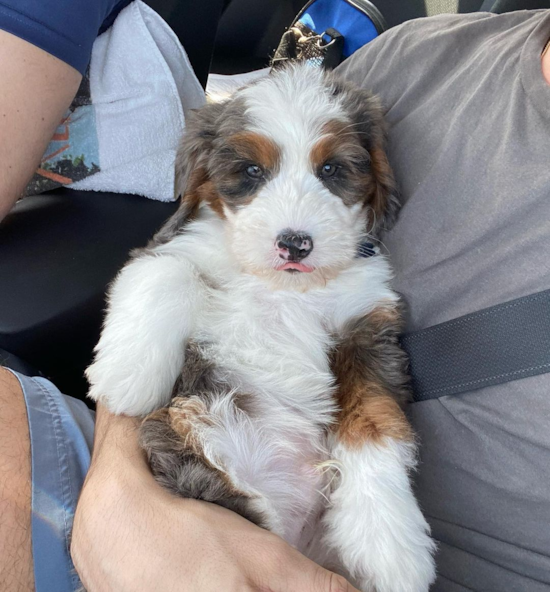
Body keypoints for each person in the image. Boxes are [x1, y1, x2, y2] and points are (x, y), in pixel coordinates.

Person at [1, 3, 550, 592]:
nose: (293, 222)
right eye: (253, 176)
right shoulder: (415, 58)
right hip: (180, 471)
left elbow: (368, 377)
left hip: (323, 557)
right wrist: (117, 485)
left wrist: (374, 498)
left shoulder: (360, 278)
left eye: (333, 173)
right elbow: (151, 307)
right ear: (204, 176)